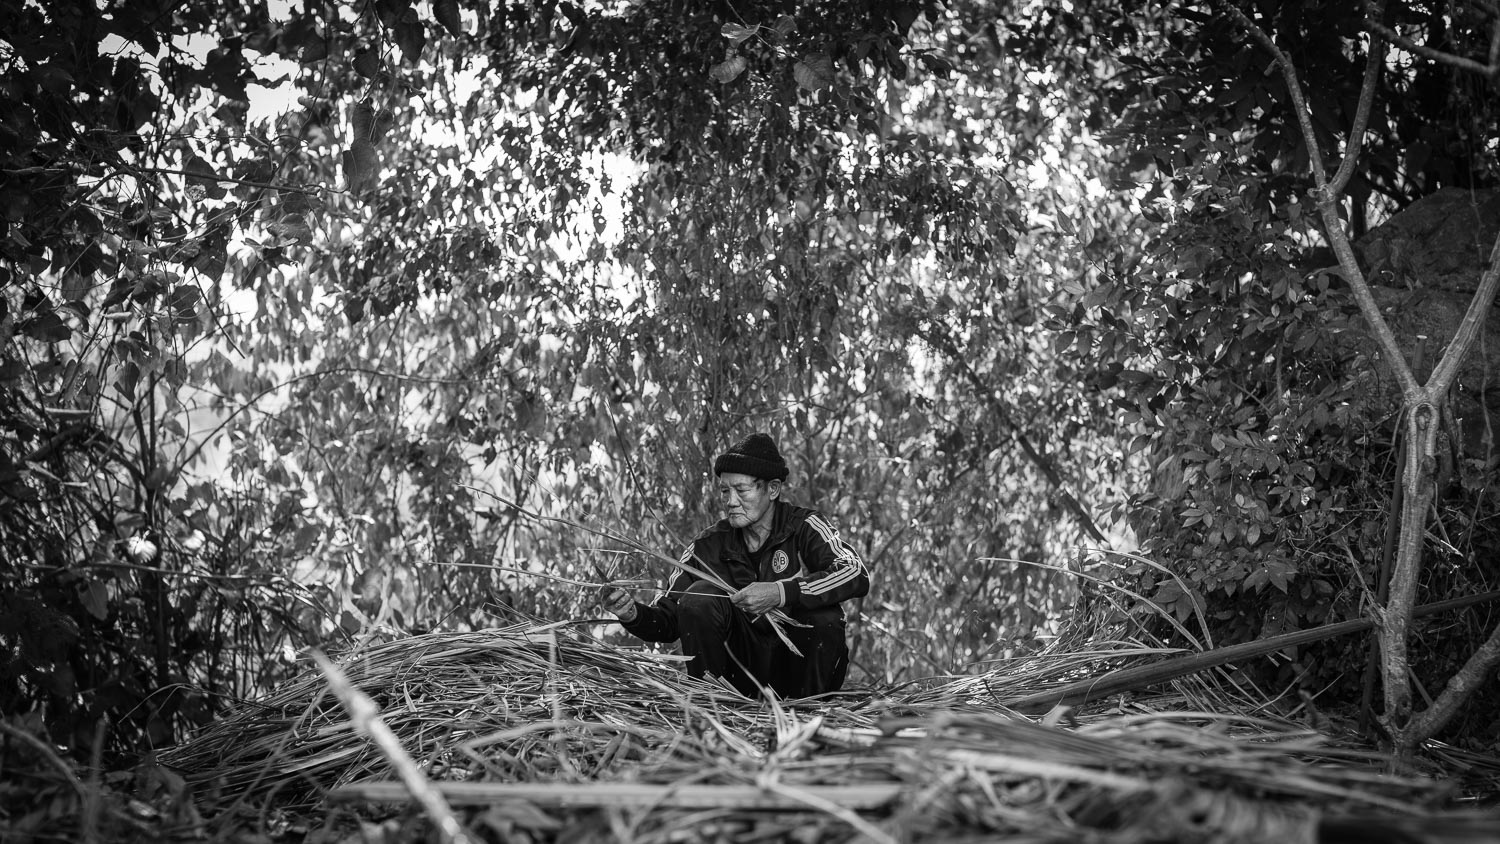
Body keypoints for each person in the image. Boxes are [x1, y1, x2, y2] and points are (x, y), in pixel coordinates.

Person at [599, 433, 869, 699]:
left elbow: (853, 571)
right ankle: (710, 705)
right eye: (725, 491)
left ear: (772, 489)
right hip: (737, 685)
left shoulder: (804, 527)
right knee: (699, 597)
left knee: (825, 617)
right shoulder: (708, 546)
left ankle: (808, 715)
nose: (730, 501)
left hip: (799, 678)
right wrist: (631, 613)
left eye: (741, 490)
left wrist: (780, 592)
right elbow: (669, 621)